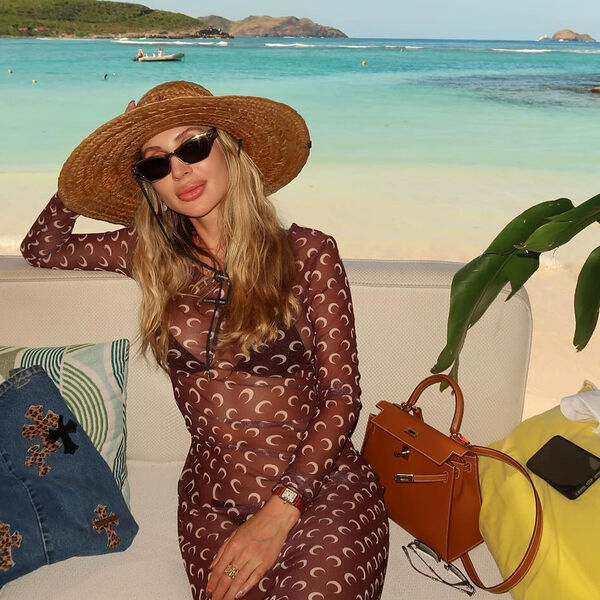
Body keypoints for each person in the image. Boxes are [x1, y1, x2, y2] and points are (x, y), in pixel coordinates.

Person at [21, 80, 389, 600]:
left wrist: (281, 510)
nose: (178, 170)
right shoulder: (147, 252)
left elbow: (342, 396)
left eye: (192, 146)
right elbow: (42, 247)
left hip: (317, 486)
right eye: (156, 163)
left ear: (231, 149)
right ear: (150, 184)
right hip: (214, 499)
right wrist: (91, 164)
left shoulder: (307, 253)